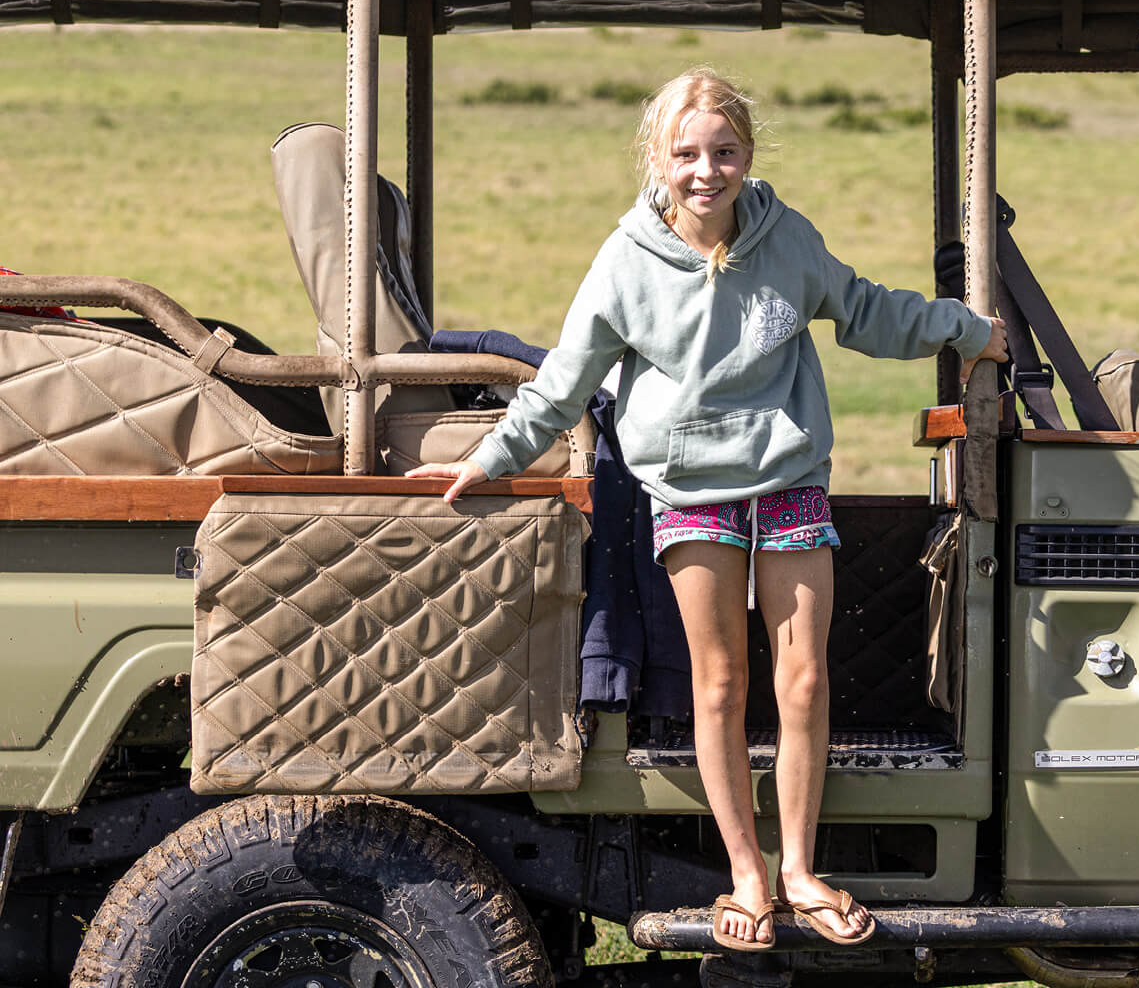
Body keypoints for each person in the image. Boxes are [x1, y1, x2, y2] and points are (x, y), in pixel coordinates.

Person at [407, 67, 1007, 951]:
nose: (706, 171)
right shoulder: (624, 262)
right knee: (721, 684)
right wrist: (487, 461)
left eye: (723, 152)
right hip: (690, 492)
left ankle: (801, 870)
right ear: (657, 159)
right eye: (686, 153)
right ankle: (746, 877)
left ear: (747, 156)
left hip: (788, 479)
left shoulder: (786, 238)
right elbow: (562, 385)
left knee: (802, 679)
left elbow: (868, 312)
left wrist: (965, 328)